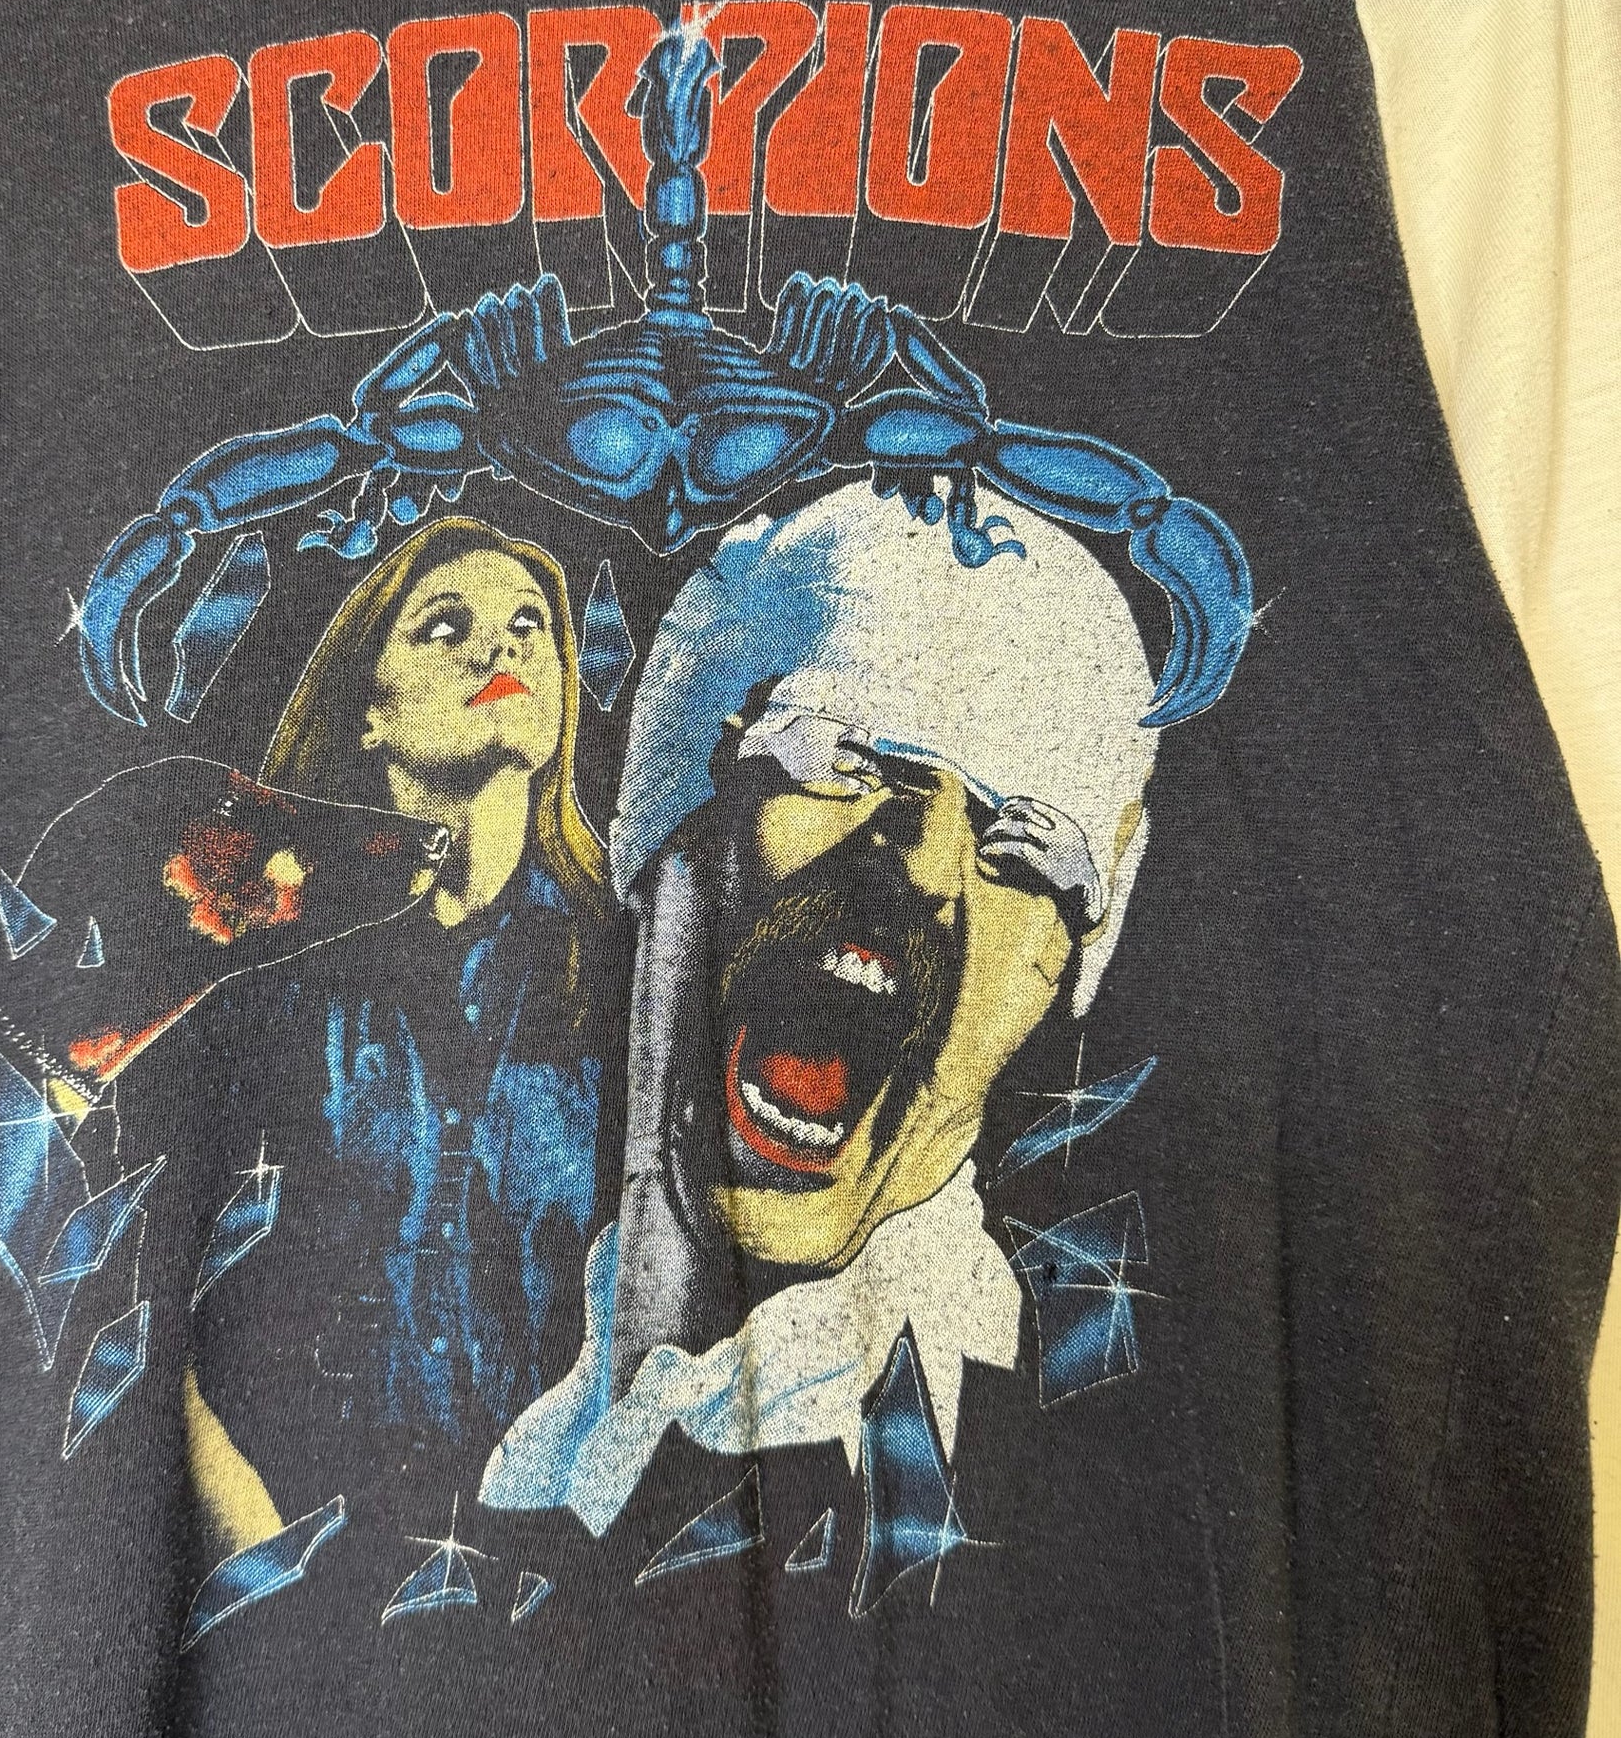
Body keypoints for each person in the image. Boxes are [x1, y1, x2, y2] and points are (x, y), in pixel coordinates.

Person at [483, 480, 1164, 1533]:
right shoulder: (541, 1449)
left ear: (1064, 956)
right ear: (680, 828)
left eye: (1021, 836)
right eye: (846, 752)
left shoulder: (962, 1471)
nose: (922, 864)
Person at [180, 516, 619, 1560]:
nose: (501, 646)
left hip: (571, 1577)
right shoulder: (259, 963)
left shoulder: (632, 962)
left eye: (530, 626)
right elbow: (149, 1288)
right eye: (445, 627)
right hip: (300, 1561)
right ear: (368, 714)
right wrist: (259, 1554)